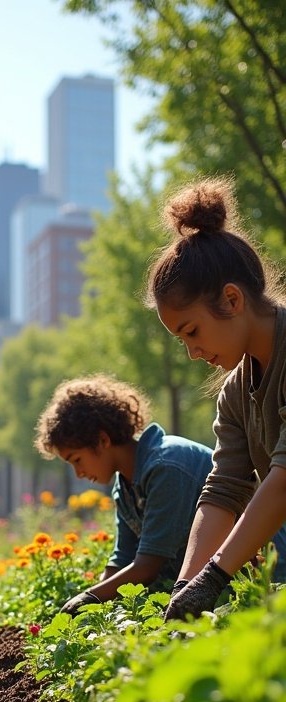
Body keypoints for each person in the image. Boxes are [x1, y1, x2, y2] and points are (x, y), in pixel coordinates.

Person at [149, 177, 286, 621]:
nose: (192, 352)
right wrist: (187, 587)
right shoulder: (234, 393)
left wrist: (215, 577)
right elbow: (225, 488)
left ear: (232, 299)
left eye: (192, 332)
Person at [34, 374, 214, 616]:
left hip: (254, 576)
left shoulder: (165, 466)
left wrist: (89, 598)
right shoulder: (124, 485)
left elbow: (147, 566)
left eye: (77, 460)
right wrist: (92, 602)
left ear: (102, 440)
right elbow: (122, 558)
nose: (79, 474)